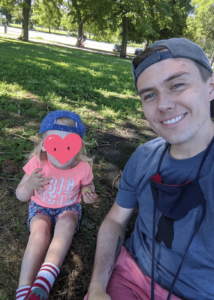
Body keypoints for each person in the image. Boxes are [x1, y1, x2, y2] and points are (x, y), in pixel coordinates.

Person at [86, 38, 214, 300]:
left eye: (177, 85)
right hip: (129, 277)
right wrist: (97, 287)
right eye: (149, 95)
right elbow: (114, 221)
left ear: (210, 86)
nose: (163, 105)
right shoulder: (144, 156)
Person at [15, 110, 98, 300]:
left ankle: (44, 281)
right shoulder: (38, 163)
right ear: (44, 145)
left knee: (67, 224)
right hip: (40, 208)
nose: (62, 153)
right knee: (39, 233)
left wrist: (89, 194)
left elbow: (87, 185)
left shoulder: (83, 167)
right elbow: (20, 195)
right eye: (55, 144)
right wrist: (29, 185)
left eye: (70, 145)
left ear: (79, 147)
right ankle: (23, 289)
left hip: (68, 208)